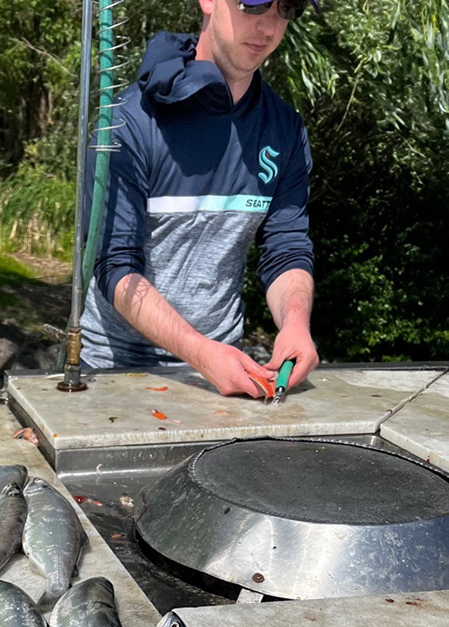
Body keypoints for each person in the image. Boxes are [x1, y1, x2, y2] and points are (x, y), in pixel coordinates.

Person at [80, 0, 320, 398]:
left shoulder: (286, 130)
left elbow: (286, 249)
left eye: (287, 8)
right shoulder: (128, 122)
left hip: (226, 373)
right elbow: (115, 266)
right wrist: (200, 353)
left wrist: (296, 323)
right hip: (113, 373)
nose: (268, 27)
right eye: (255, 4)